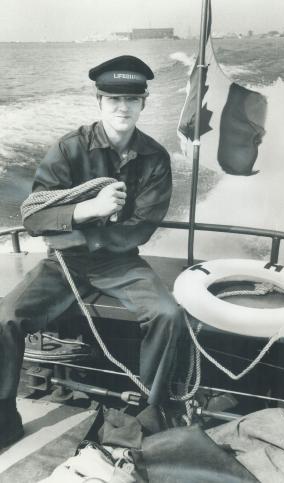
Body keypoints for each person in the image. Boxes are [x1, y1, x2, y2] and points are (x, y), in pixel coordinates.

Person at [0, 55, 186, 449]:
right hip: (63, 263)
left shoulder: (155, 158)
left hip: (120, 264)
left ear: (144, 104)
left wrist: (86, 233)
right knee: (5, 316)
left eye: (132, 99)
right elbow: (34, 216)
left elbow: (142, 227)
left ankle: (147, 419)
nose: (122, 107)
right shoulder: (69, 150)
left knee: (168, 314)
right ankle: (3, 419)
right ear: (98, 101)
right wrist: (91, 210)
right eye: (113, 99)